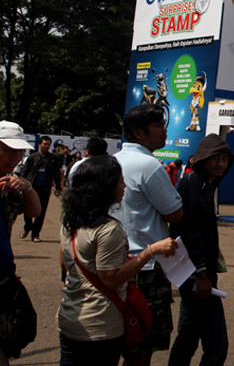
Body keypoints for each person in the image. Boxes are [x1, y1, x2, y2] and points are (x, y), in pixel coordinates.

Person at [58, 156, 178, 366]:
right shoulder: (108, 229)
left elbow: (66, 261)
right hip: (100, 323)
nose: (124, 186)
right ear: (106, 187)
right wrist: (150, 251)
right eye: (120, 181)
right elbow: (110, 279)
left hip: (70, 316)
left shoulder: (71, 221)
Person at [110, 104, 184, 366]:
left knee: (118, 337)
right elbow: (175, 213)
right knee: (142, 343)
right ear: (139, 132)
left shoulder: (112, 161)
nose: (164, 131)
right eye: (158, 126)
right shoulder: (149, 165)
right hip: (146, 266)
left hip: (114, 262)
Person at [168, 134, 234, 366]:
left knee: (189, 334)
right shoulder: (193, 185)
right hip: (196, 276)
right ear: (203, 158)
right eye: (216, 158)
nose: (221, 164)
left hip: (197, 274)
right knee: (216, 343)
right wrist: (201, 273)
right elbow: (189, 232)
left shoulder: (205, 184)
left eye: (224, 159)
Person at [0, 121, 40, 365]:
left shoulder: (11, 182)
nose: (16, 157)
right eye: (10, 150)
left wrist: (27, 187)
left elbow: (34, 211)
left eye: (20, 151)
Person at [18, 135, 62, 242]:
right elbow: (25, 171)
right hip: (31, 187)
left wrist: (58, 187)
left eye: (48, 144)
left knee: (41, 212)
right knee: (27, 208)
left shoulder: (53, 158)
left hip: (45, 188)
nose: (47, 146)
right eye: (45, 144)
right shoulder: (32, 157)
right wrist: (21, 183)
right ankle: (28, 226)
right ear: (39, 144)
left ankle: (35, 234)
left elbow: (57, 174)